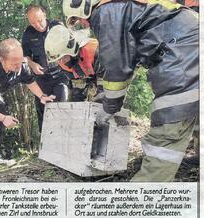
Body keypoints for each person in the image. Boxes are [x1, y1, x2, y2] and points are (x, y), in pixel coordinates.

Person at [63, 0, 199, 182]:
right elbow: (128, 56)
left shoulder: (106, 12)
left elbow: (118, 67)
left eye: (78, 18)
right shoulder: (122, 6)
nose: (82, 23)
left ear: (85, 6)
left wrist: (109, 107)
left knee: (166, 134)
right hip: (189, 43)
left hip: (183, 56)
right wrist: (108, 97)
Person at [0, 38, 55, 182]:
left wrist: (42, 96)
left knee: (0, 114)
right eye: (14, 62)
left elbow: (29, 81)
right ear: (2, 59)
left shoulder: (21, 65)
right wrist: (3, 117)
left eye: (20, 60)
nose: (18, 65)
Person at [22, 4, 70, 132]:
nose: (37, 25)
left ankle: (62, 136)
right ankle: (45, 143)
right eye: (33, 22)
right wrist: (32, 64)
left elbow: (72, 46)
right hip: (42, 78)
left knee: (62, 98)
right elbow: (24, 56)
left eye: (39, 20)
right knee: (42, 110)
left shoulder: (57, 26)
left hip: (61, 74)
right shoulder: (28, 33)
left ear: (44, 14)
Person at [44, 24, 105, 102]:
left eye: (63, 57)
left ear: (71, 49)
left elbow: (109, 81)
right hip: (86, 73)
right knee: (75, 101)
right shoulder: (62, 62)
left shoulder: (94, 51)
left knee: (103, 100)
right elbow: (76, 87)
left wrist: (101, 97)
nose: (61, 62)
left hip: (107, 73)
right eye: (58, 59)